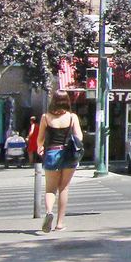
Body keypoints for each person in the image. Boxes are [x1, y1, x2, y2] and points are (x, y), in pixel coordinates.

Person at [37, 93, 84, 234]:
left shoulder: (46, 117)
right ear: (67, 101)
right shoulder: (72, 117)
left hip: (52, 153)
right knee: (64, 188)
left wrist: (40, 146)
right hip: (68, 155)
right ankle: (59, 223)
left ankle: (49, 211)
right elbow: (79, 137)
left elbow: (40, 138)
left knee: (50, 189)